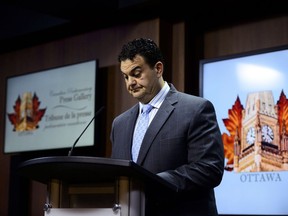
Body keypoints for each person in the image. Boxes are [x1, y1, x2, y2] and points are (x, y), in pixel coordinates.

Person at [110, 38, 224, 216]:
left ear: (158, 69)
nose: (130, 83)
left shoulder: (196, 109)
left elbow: (209, 169)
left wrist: (154, 182)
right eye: (126, 77)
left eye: (136, 73)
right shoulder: (120, 124)